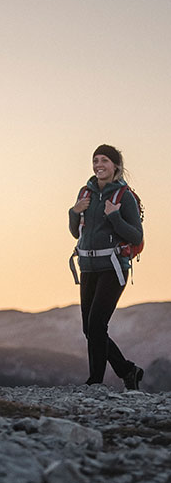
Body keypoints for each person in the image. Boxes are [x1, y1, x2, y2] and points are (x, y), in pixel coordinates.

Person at [69, 144, 144, 389]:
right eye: (95, 160)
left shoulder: (125, 196)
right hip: (88, 266)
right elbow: (75, 232)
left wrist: (114, 216)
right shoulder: (85, 193)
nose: (98, 165)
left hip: (113, 267)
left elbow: (135, 236)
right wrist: (73, 211)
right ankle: (127, 370)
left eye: (104, 160)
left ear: (115, 166)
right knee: (89, 329)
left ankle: (95, 382)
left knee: (97, 324)